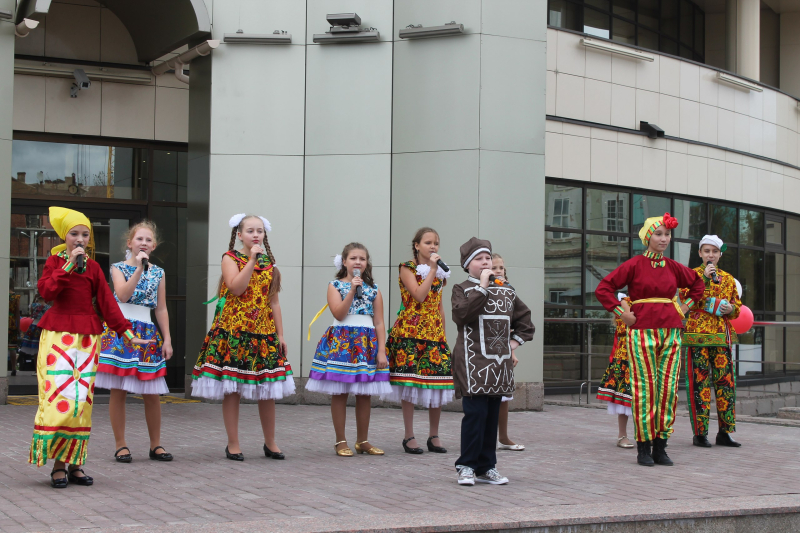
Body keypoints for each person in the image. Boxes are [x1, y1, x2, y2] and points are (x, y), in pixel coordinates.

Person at [30, 207, 150, 488]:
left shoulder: (94, 268)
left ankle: (75, 464)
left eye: (85, 234)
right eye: (75, 234)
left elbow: (108, 304)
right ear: (65, 236)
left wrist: (128, 334)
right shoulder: (54, 262)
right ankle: (58, 465)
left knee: (81, 403)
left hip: (87, 341)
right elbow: (46, 292)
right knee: (62, 402)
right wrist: (69, 266)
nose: (80, 239)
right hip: (58, 337)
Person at [595, 212, 705, 467]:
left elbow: (698, 285)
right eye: (659, 234)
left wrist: (684, 307)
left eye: (667, 234)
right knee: (644, 388)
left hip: (671, 332)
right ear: (647, 237)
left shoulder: (674, 267)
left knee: (667, 389)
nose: (664, 239)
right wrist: (623, 314)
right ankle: (643, 447)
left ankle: (661, 447)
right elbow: (604, 288)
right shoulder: (634, 265)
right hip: (641, 331)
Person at [192, 214, 294, 461]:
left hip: (263, 332)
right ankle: (233, 443)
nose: (256, 235)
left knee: (267, 389)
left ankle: (270, 442)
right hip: (234, 332)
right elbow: (236, 287)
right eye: (250, 231)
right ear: (239, 235)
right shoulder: (230, 258)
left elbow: (274, 301)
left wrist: (280, 334)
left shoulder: (270, 264)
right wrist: (250, 261)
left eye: (259, 231)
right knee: (232, 388)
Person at [451, 238, 534, 486]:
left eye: (487, 258)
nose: (485, 262)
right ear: (468, 266)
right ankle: (466, 465)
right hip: (472, 361)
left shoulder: (508, 290)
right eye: (479, 259)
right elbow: (462, 315)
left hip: (498, 365)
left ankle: (487, 467)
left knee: (490, 417)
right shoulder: (462, 289)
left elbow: (525, 321)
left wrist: (513, 344)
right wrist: (483, 288)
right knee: (475, 414)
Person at [97, 221, 174, 463]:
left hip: (148, 331)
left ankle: (156, 445)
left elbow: (161, 309)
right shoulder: (117, 268)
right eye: (139, 239)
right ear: (129, 243)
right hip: (122, 331)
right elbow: (122, 295)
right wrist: (139, 269)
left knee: (151, 392)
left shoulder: (159, 273)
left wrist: (168, 339)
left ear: (154, 245)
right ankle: (121, 445)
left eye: (148, 240)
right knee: (118, 391)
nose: (144, 243)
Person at [307, 243, 390, 457]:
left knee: (364, 394)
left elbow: (379, 322)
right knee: (340, 392)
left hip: (366, 343)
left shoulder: (374, 289)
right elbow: (339, 313)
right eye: (353, 258)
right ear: (344, 261)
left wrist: (381, 351)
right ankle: (340, 441)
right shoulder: (335, 285)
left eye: (362, 259)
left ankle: (362, 440)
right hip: (342, 341)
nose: (358, 262)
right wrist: (352, 290)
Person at [384, 228, 453, 454]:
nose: (433, 247)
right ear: (417, 245)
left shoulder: (440, 273)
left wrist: (442, 333)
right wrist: (433, 269)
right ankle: (408, 435)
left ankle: (434, 435)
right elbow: (419, 295)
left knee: (437, 384)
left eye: (436, 243)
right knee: (410, 383)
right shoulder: (407, 268)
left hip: (433, 333)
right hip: (410, 332)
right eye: (428, 242)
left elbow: (438, 305)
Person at [680, 235, 742, 448]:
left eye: (714, 252)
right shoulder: (690, 275)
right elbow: (683, 299)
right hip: (697, 338)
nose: (710, 255)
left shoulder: (728, 279)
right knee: (700, 385)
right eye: (707, 251)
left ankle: (725, 432)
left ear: (720, 254)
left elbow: (738, 306)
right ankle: (700, 434)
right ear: (700, 253)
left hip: (721, 338)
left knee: (726, 385)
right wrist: (704, 279)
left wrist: (731, 309)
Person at [490, 254, 523, 452]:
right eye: (494, 267)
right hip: (485, 346)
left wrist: (512, 350)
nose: (498, 270)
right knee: (487, 395)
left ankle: (503, 436)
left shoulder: (509, 291)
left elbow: (512, 323)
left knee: (503, 396)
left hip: (504, 345)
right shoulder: (483, 289)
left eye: (501, 267)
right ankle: (485, 437)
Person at [596, 293, 634, 449]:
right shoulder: (624, 302)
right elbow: (631, 320)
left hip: (647, 354)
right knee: (625, 399)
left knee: (645, 398)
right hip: (626, 355)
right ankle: (622, 435)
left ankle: (646, 434)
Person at [18, 294, 50, 369]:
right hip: (44, 327)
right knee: (43, 348)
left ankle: (36, 369)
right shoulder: (48, 307)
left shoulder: (34, 305)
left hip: (34, 326)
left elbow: (31, 312)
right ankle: (42, 368)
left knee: (35, 349)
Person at [8, 279, 20, 376]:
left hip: (3, 321)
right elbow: (17, 312)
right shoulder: (15, 297)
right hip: (11, 322)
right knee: (12, 347)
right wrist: (18, 326)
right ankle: (13, 368)